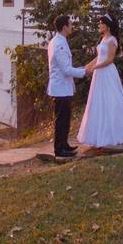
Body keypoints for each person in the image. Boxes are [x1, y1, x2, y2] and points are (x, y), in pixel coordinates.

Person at [77, 13, 123, 148]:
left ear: (107, 26)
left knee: (111, 100)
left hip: (107, 72)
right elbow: (99, 57)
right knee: (98, 101)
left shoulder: (112, 40)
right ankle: (96, 133)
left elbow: (110, 59)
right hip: (99, 73)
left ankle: (117, 132)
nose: (99, 25)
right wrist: (87, 66)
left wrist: (96, 68)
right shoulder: (102, 38)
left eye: (101, 23)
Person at [47, 15, 91, 158]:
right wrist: (84, 71)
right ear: (64, 26)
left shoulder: (61, 41)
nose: (72, 26)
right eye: (70, 24)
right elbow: (66, 69)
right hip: (60, 89)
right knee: (61, 120)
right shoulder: (58, 44)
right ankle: (59, 149)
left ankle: (64, 144)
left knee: (65, 119)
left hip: (63, 88)